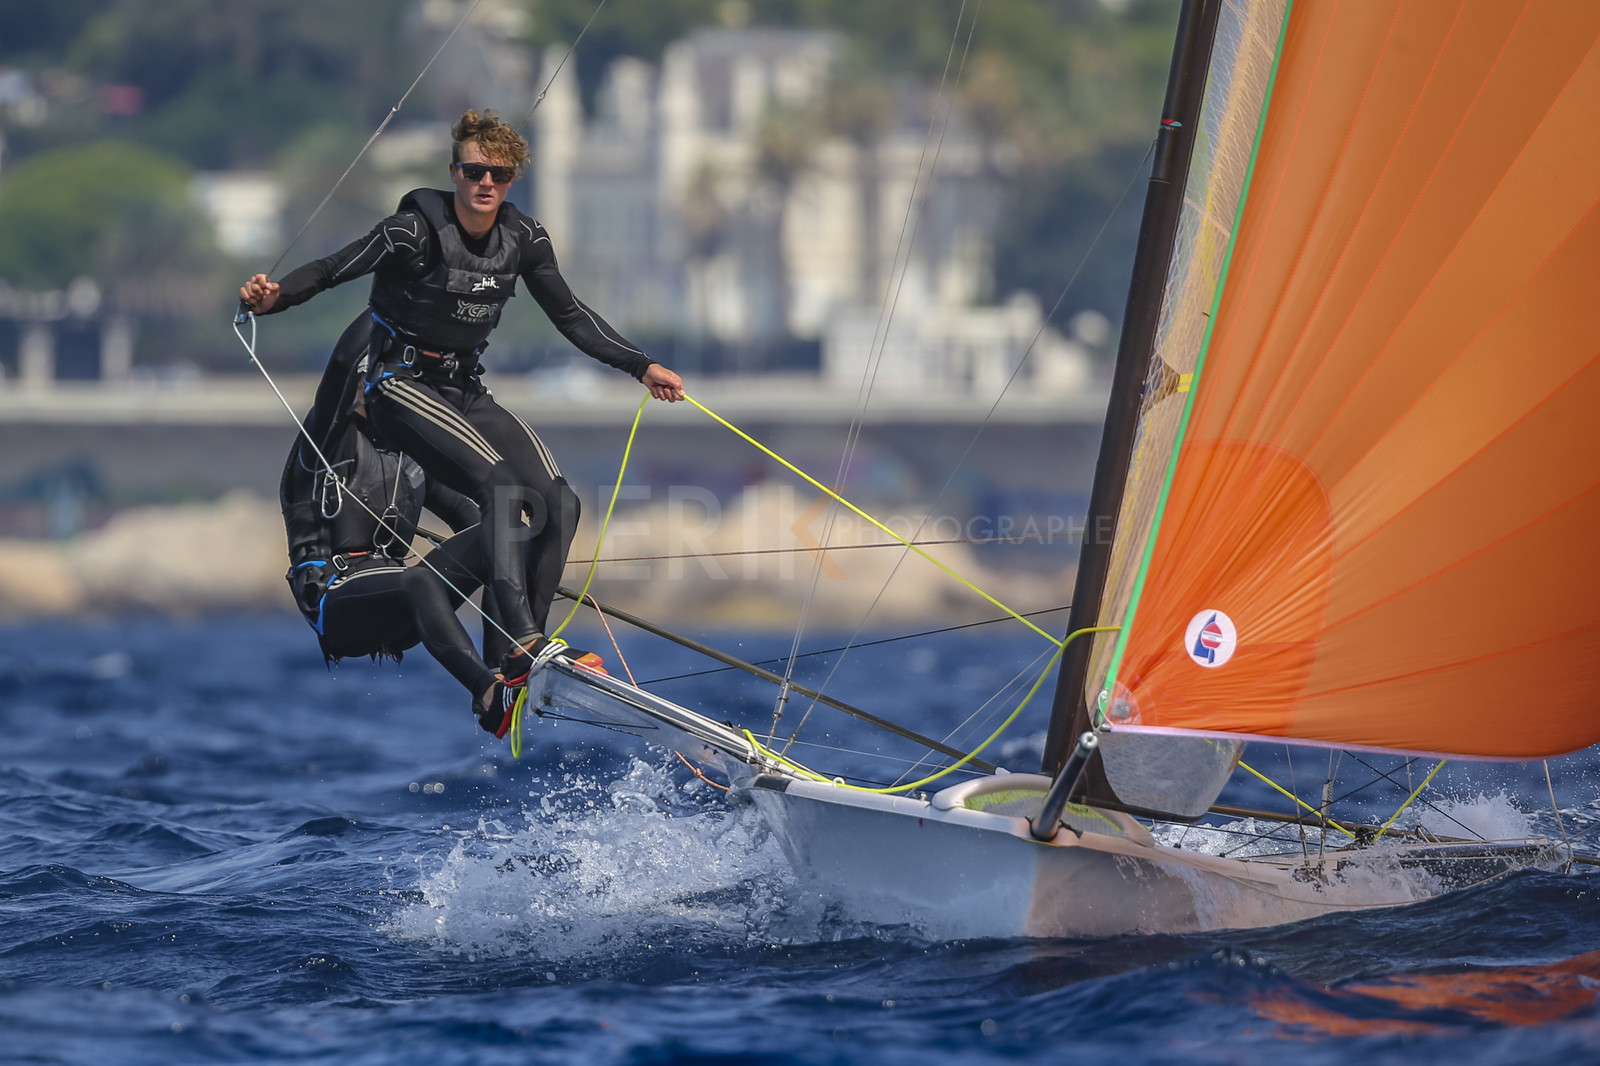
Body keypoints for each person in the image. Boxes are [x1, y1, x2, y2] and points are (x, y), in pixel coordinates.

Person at [243, 108, 682, 699]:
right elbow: (331, 269)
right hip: (401, 384)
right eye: (475, 171)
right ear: (454, 171)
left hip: (464, 390)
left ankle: (521, 657)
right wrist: (274, 300)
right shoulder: (412, 231)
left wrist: (641, 365)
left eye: (499, 176)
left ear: (511, 183)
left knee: (558, 504)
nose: (486, 184)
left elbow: (572, 315)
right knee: (499, 487)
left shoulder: (524, 241)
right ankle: (520, 642)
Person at [281, 313, 598, 738]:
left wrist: (520, 567)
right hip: (336, 605)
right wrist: (396, 294)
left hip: (401, 600)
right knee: (419, 582)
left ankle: (510, 666)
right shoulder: (324, 439)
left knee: (507, 538)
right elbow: (342, 362)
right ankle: (488, 696)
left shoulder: (411, 457)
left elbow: (482, 528)